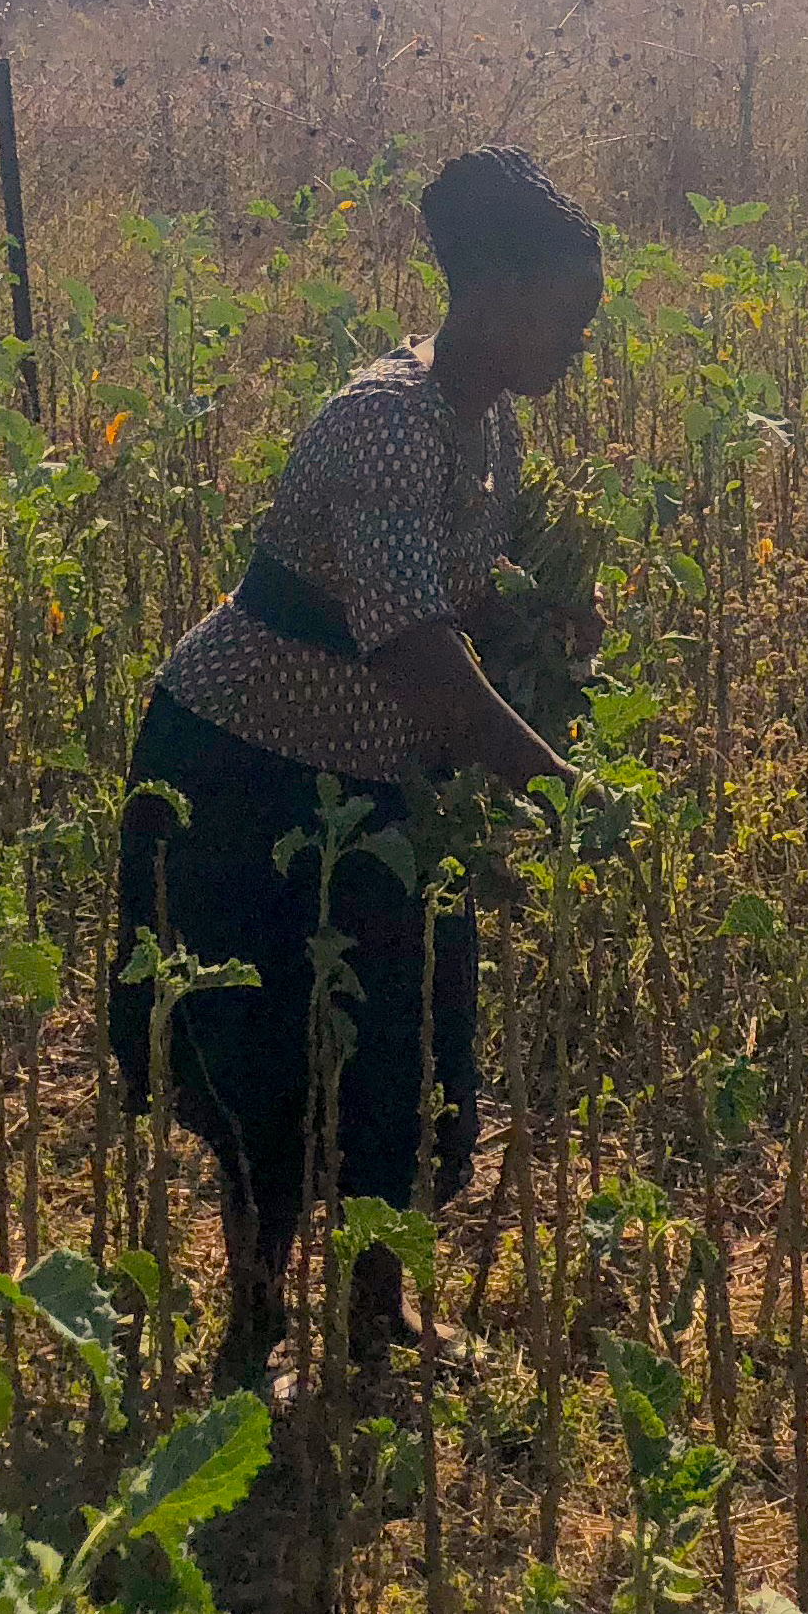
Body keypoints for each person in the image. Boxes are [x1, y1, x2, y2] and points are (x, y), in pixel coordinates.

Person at [111, 146, 605, 1390]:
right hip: (245, 766)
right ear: (487, 294)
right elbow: (420, 654)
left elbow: (454, 603)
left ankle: (376, 1311)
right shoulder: (383, 424)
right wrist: (554, 782)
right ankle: (252, 1323)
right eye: (564, 314)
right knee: (265, 1055)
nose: (577, 343)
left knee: (411, 1042)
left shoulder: (484, 428)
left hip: (377, 779)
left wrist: (545, 621)